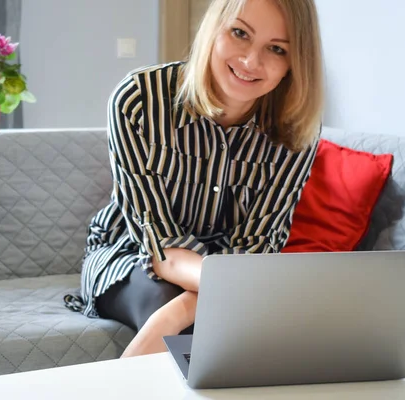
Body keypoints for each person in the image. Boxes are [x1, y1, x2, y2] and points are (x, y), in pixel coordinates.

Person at [64, 0, 324, 358]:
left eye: (276, 49)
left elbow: (257, 246)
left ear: (294, 63)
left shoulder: (297, 131)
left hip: (233, 274)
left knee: (194, 317)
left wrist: (179, 312)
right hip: (129, 256)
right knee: (172, 304)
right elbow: (157, 243)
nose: (251, 61)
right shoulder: (139, 100)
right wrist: (196, 302)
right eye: (240, 33)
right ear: (214, 28)